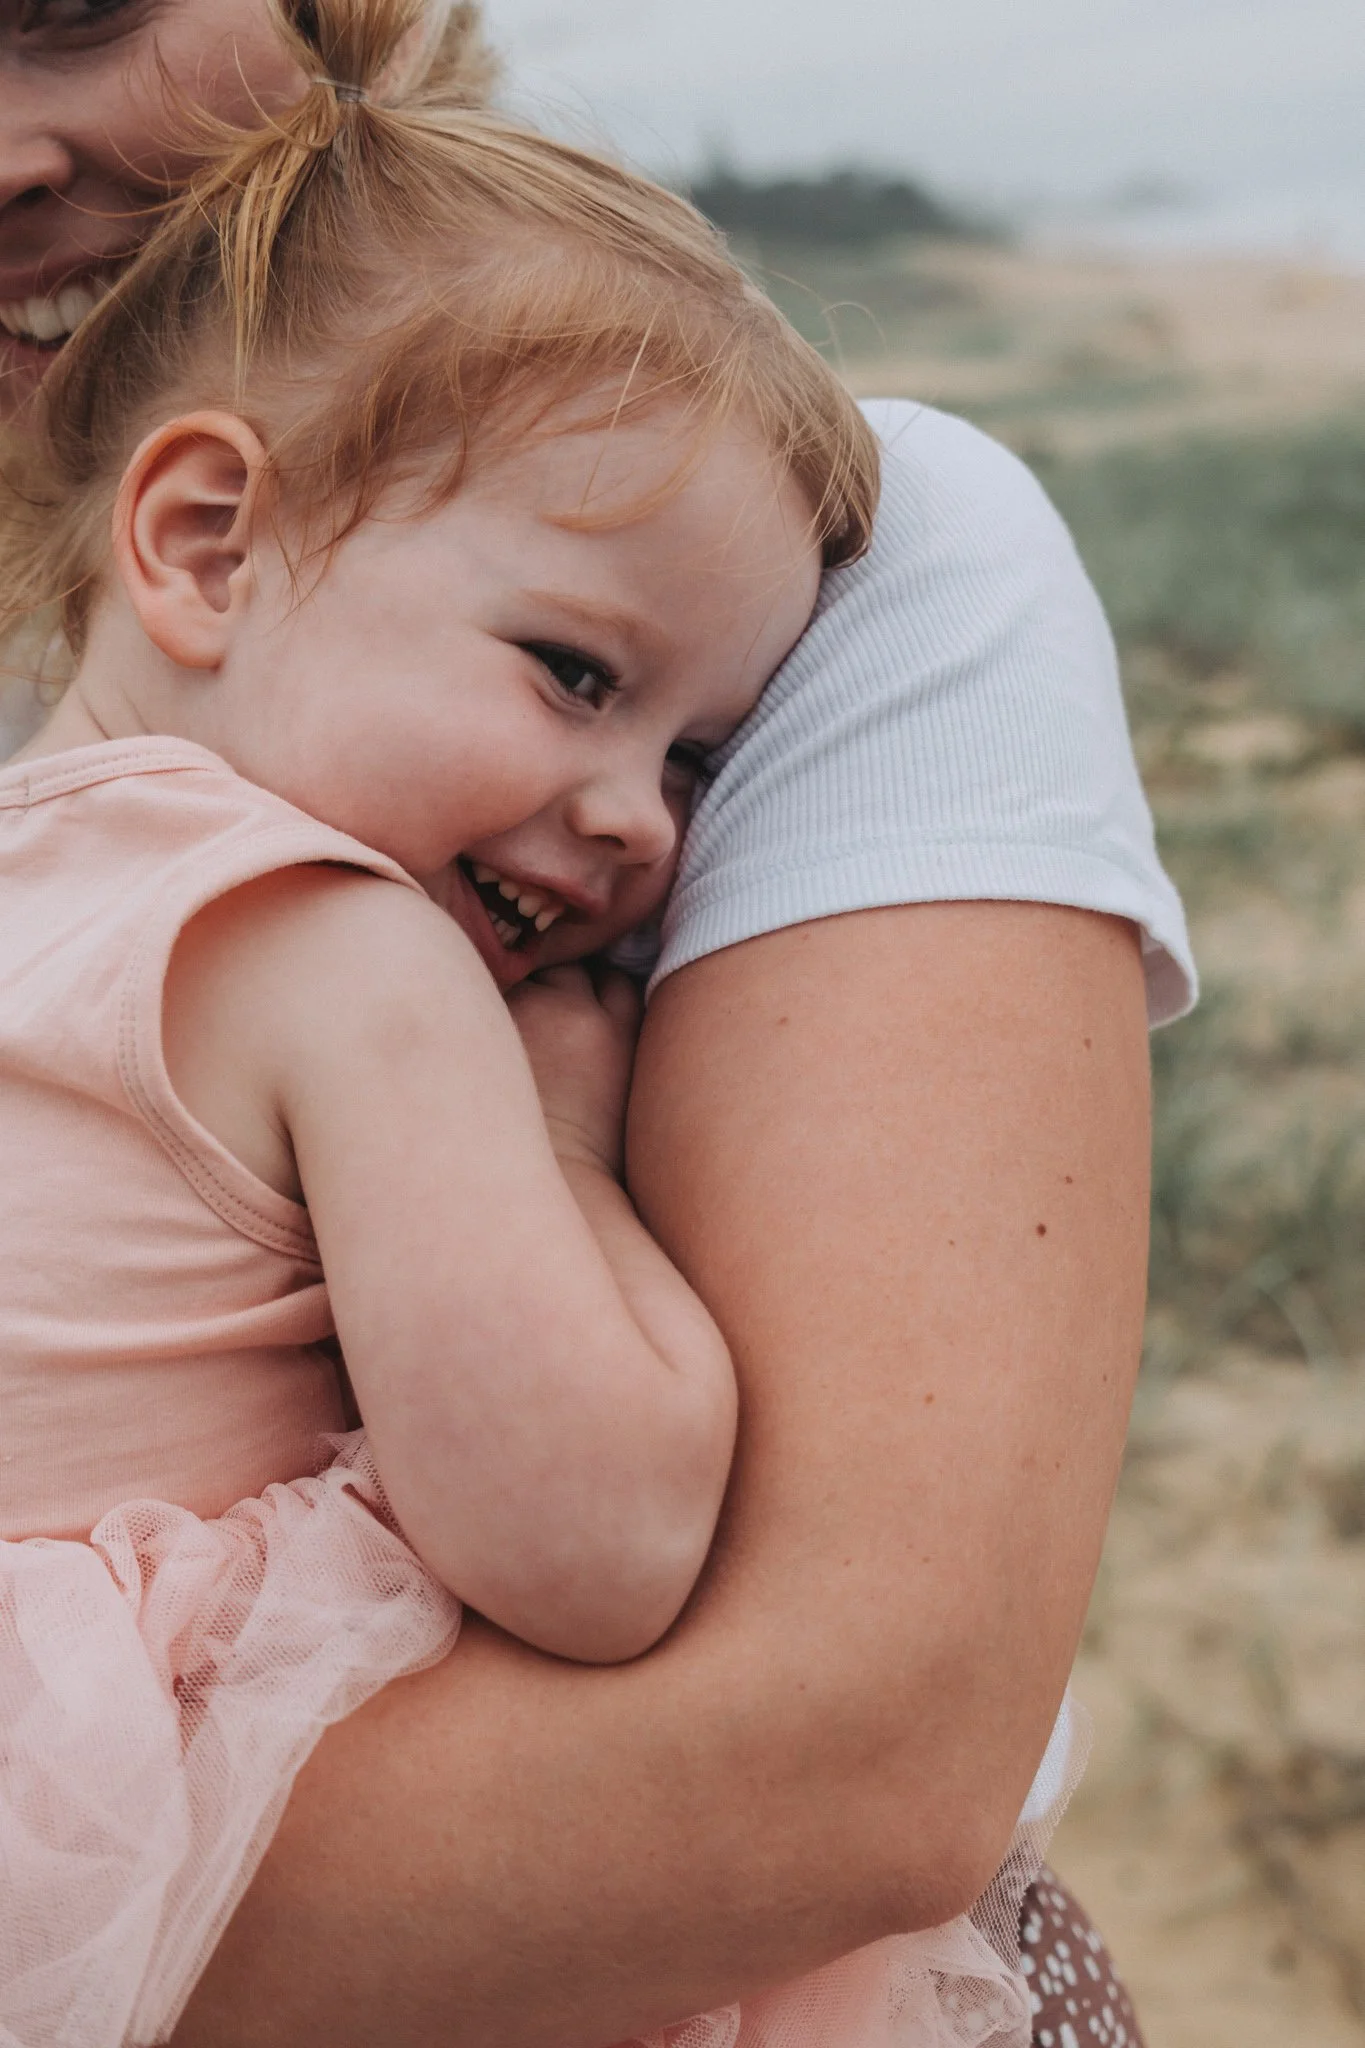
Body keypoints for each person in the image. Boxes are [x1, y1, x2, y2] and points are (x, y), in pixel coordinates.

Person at [0, 3, 1194, 2045]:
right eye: (570, 676)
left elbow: (849, 1753)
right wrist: (551, 1151)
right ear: (201, 542)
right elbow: (598, 1536)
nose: (640, 820)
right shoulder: (336, 943)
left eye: (704, 755)